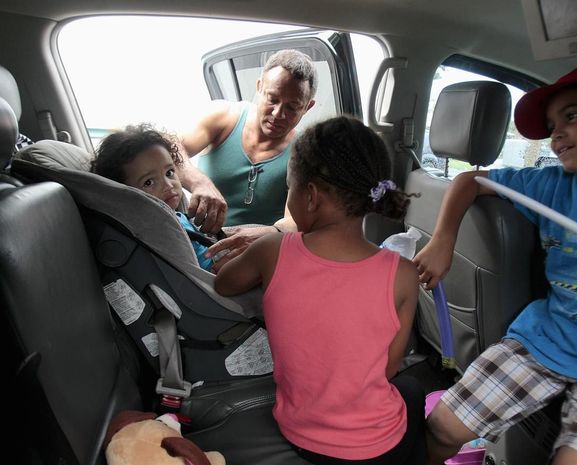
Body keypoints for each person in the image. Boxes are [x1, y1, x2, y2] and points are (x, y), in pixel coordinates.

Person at [414, 63, 577, 465]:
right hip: (545, 339)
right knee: (440, 427)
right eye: (553, 123)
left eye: (572, 115)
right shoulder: (551, 185)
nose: (556, 133)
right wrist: (442, 240)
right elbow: (470, 181)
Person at [214, 116, 425, 464]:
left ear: (310, 196)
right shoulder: (402, 273)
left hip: (302, 436)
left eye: (289, 188)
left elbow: (224, 283)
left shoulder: (272, 250)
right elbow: (387, 370)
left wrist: (249, 257)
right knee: (413, 390)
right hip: (380, 446)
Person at [178, 49, 317, 241]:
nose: (278, 114)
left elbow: (295, 221)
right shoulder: (223, 116)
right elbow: (169, 146)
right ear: (259, 87)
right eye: (272, 99)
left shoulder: (305, 153)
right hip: (200, 243)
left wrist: (264, 236)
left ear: (307, 107)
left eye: (292, 107)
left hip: (260, 253)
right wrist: (199, 183)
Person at [91, 124, 215, 272]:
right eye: (149, 182)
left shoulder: (176, 216)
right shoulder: (160, 233)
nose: (168, 185)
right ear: (124, 195)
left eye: (169, 172)